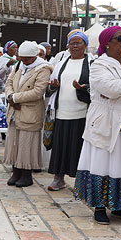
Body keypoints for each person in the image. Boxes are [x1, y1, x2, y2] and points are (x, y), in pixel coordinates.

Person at [74, 26, 121, 225]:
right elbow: (111, 88)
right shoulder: (99, 65)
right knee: (102, 164)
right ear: (107, 43)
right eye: (119, 38)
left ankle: (120, 207)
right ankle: (99, 207)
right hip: (105, 124)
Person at [45, 32, 92, 191]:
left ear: (85, 45)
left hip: (82, 113)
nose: (75, 46)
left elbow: (98, 87)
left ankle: (81, 181)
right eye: (72, 43)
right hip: (61, 112)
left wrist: (84, 88)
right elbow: (49, 88)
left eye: (79, 43)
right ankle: (58, 179)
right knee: (60, 146)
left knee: (79, 147)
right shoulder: (61, 63)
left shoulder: (92, 63)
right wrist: (54, 85)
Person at [4, 41, 54, 187]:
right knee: (14, 143)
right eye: (22, 58)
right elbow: (9, 82)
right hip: (14, 110)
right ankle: (16, 172)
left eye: (27, 59)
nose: (24, 61)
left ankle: (26, 175)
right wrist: (10, 95)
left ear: (34, 56)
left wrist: (15, 98)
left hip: (29, 112)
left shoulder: (43, 68)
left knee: (27, 144)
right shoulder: (19, 66)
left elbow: (38, 92)